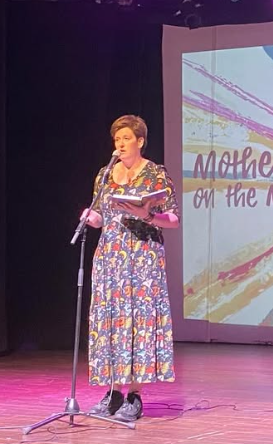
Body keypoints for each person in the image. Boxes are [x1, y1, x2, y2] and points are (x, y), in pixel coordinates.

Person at [80, 114, 179, 422]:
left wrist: (147, 215)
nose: (120, 144)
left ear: (140, 141)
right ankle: (112, 392)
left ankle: (134, 395)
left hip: (143, 259)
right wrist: (90, 217)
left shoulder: (155, 174)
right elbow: (100, 216)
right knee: (111, 322)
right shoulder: (105, 174)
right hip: (110, 258)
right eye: (117, 139)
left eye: (126, 138)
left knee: (138, 323)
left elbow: (173, 219)